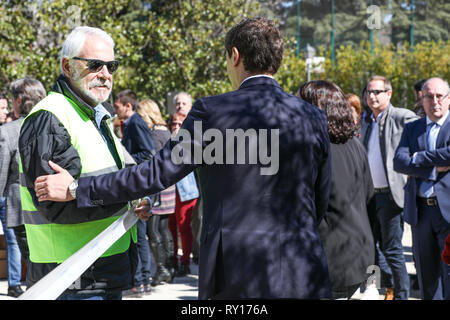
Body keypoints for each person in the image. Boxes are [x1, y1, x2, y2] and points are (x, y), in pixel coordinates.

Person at [34, 17, 332, 299]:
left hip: (237, 271)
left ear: (235, 56)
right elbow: (320, 199)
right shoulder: (313, 117)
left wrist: (77, 189)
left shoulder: (213, 113)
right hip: (302, 265)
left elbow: (154, 174)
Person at [18, 26, 149, 300]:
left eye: (111, 66)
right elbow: (53, 205)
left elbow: (119, 176)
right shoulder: (50, 118)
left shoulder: (96, 117)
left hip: (103, 266)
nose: (105, 74)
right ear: (67, 66)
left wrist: (137, 200)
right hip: (71, 275)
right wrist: (126, 198)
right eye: (95, 65)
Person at [297, 80, 375, 299]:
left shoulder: (314, 147)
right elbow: (369, 198)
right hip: (361, 253)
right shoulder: (355, 144)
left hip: (332, 258)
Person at [360, 75, 418, 300]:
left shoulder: (401, 117)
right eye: (369, 92)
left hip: (391, 196)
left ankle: (401, 294)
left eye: (377, 92)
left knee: (393, 249)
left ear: (389, 94)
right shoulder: (366, 120)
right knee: (368, 247)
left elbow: (420, 133)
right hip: (368, 195)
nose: (371, 96)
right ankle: (375, 287)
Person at [394, 77, 450, 300]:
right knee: (427, 277)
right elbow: (399, 162)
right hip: (420, 212)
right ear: (422, 99)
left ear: (448, 99)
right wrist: (435, 170)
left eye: (439, 96)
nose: (434, 101)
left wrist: (417, 158)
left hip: (447, 213)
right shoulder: (412, 128)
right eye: (428, 96)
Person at [0, 78, 46, 297]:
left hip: (18, 203)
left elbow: (1, 172)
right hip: (51, 201)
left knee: (27, 253)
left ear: (19, 100)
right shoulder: (52, 125)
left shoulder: (8, 132)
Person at [114, 90, 155, 295]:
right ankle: (143, 280)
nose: (116, 110)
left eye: (118, 106)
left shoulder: (135, 122)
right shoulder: (130, 123)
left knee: (138, 236)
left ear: (128, 106)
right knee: (138, 235)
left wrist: (126, 160)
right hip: (136, 183)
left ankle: (140, 281)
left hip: (139, 184)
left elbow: (148, 152)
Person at [136, 99, 174, 286]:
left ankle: (161, 269)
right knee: (164, 229)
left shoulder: (154, 135)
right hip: (169, 186)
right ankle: (169, 266)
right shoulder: (165, 130)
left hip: (159, 188)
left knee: (153, 230)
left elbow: (154, 164)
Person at [168, 112, 199, 277]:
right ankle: (172, 258)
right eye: (173, 123)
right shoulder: (168, 140)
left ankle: (185, 262)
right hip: (169, 190)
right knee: (170, 226)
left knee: (184, 226)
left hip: (185, 190)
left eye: (180, 124)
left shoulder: (190, 141)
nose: (176, 127)